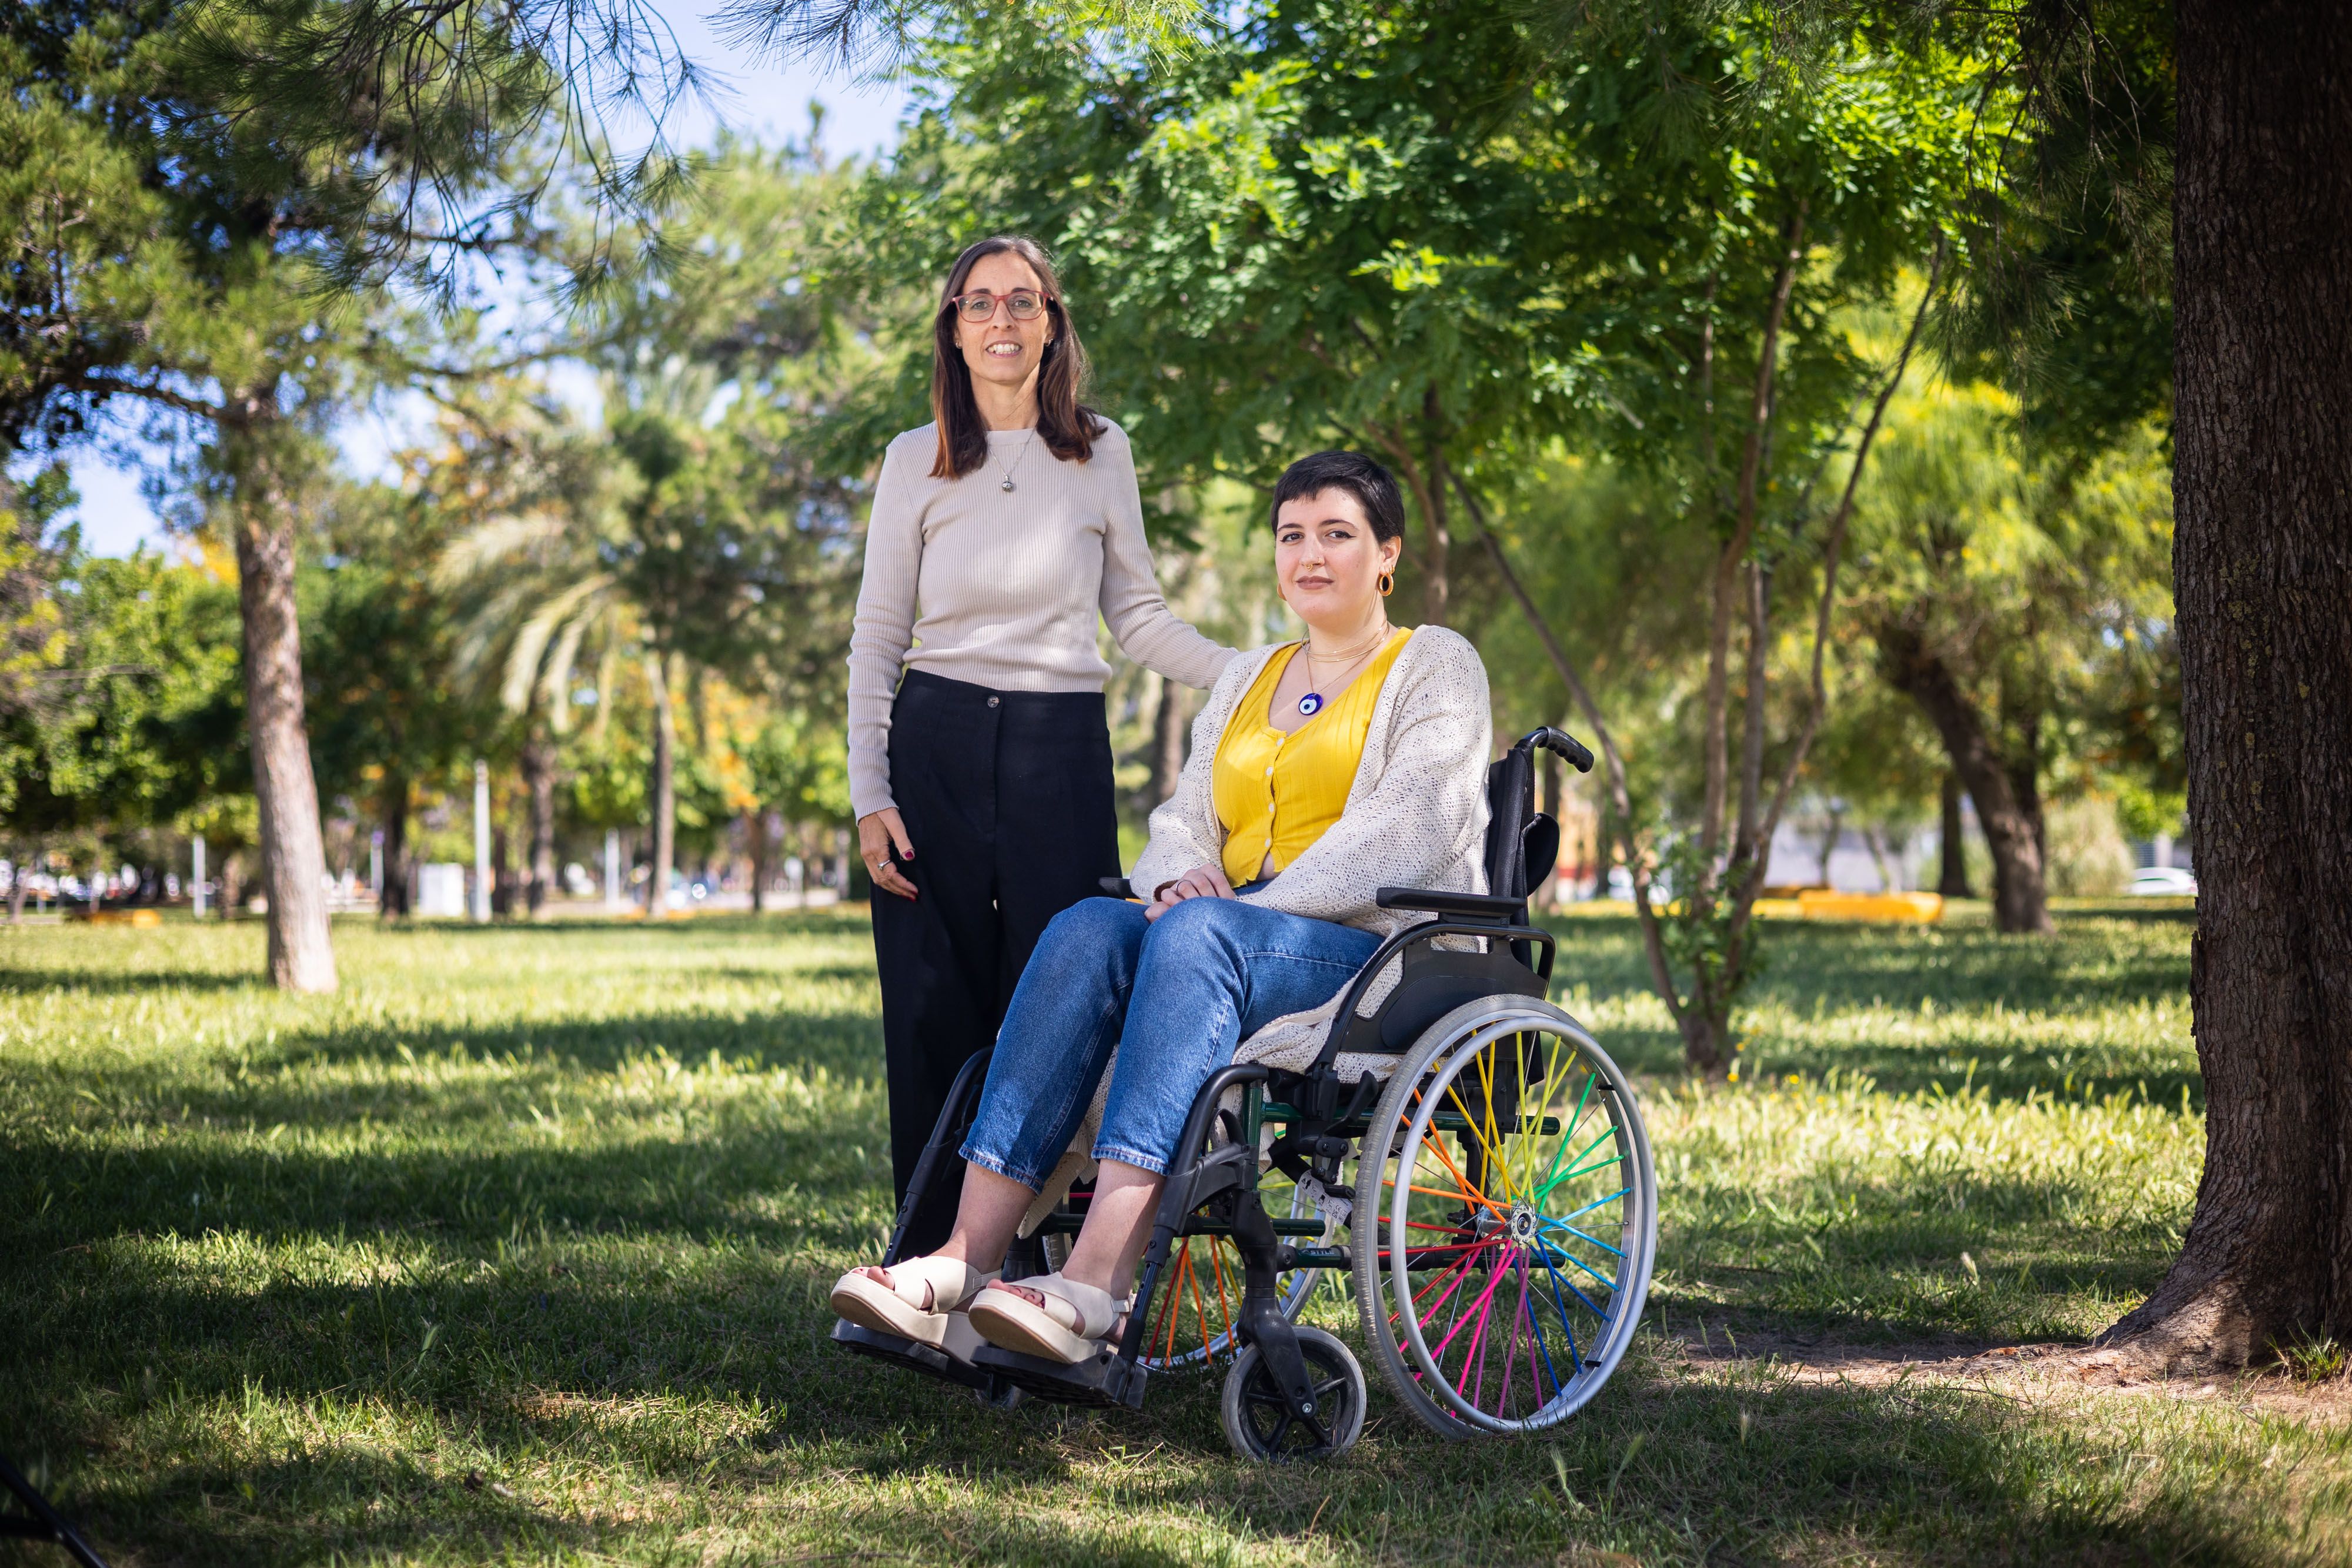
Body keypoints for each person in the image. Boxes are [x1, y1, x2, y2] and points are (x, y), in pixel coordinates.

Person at [833, 450, 1492, 1365]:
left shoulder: (1435, 665)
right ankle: (963, 1258)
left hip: (1370, 954)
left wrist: (1242, 904)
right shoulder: (1250, 677)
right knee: (1086, 925)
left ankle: (1097, 1280)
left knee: (1195, 934)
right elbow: (1185, 817)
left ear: (1387, 555)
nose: (1311, 554)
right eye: (1291, 535)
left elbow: (1413, 825)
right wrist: (1182, 879)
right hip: (1226, 933)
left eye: (1337, 535)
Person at [848, 236, 1235, 1253]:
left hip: (1059, 748)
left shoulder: (1100, 450)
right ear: (954, 328)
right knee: (934, 1014)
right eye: (978, 304)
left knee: (1052, 1006)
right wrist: (868, 792)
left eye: (1022, 301)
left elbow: (1140, 619)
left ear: (1053, 322)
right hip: (932, 743)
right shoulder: (913, 457)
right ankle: (924, 1272)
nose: (1002, 320)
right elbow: (879, 637)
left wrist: (1259, 672)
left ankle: (1032, 1271)